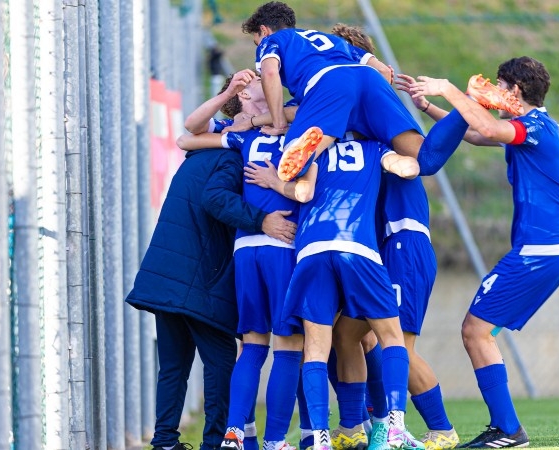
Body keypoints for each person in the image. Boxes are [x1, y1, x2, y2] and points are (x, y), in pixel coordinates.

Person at [398, 56, 559, 448]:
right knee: (478, 332)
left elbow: (487, 126)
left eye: (498, 85)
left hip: (539, 252)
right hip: (545, 251)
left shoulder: (534, 127)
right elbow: (478, 134)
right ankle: (506, 428)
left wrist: (449, 89)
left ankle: (509, 430)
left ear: (515, 90)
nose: (492, 91)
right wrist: (428, 106)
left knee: (476, 331)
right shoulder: (535, 126)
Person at [125, 79, 298, 450]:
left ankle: (165, 442)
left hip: (166, 274)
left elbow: (189, 135)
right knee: (221, 363)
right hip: (198, 279)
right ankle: (215, 443)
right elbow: (215, 199)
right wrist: (262, 220)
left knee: (174, 366)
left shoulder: (206, 147)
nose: (271, 101)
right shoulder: (233, 156)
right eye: (258, 97)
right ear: (241, 104)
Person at [327, 23, 460, 450]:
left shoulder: (380, 111)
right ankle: (355, 427)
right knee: (348, 335)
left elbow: (421, 153)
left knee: (395, 343)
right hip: (376, 247)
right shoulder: (351, 115)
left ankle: (440, 429)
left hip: (404, 241)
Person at [245, 134, 422, 450]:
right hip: (357, 247)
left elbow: (302, 192)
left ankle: (321, 438)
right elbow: (406, 167)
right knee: (391, 337)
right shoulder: (374, 146)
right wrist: (409, 161)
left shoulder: (314, 147)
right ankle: (394, 425)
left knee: (315, 348)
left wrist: (274, 181)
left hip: (312, 249)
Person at [177, 73, 307, 450]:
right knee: (288, 345)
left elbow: (187, 136)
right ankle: (276, 440)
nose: (257, 100)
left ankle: (235, 433)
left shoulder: (242, 137)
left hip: (246, 248)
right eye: (248, 97)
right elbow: (187, 134)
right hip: (282, 244)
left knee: (252, 345)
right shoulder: (298, 133)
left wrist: (242, 117)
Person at [241, 1, 473, 181]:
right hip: (370, 79)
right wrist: (368, 116)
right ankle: (472, 102)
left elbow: (270, 74)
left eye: (256, 40)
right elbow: (384, 72)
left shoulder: (273, 41)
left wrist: (279, 123)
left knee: (290, 165)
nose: (258, 45)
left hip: (327, 82)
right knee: (426, 159)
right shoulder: (330, 40)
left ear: (264, 30)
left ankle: (309, 145)